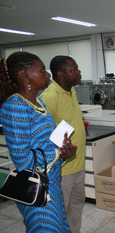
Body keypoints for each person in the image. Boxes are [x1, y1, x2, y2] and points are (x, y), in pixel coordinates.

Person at [0, 52, 76, 232]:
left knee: (61, 228)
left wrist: (63, 153)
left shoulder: (38, 102)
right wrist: (57, 152)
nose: (48, 74)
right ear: (24, 74)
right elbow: (22, 159)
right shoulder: (15, 106)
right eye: (42, 70)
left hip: (53, 183)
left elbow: (43, 145)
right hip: (36, 187)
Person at [40, 56, 86, 232]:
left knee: (76, 207)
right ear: (61, 75)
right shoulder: (49, 97)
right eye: (74, 70)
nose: (79, 72)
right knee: (60, 211)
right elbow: (42, 135)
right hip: (61, 169)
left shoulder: (71, 91)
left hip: (78, 164)